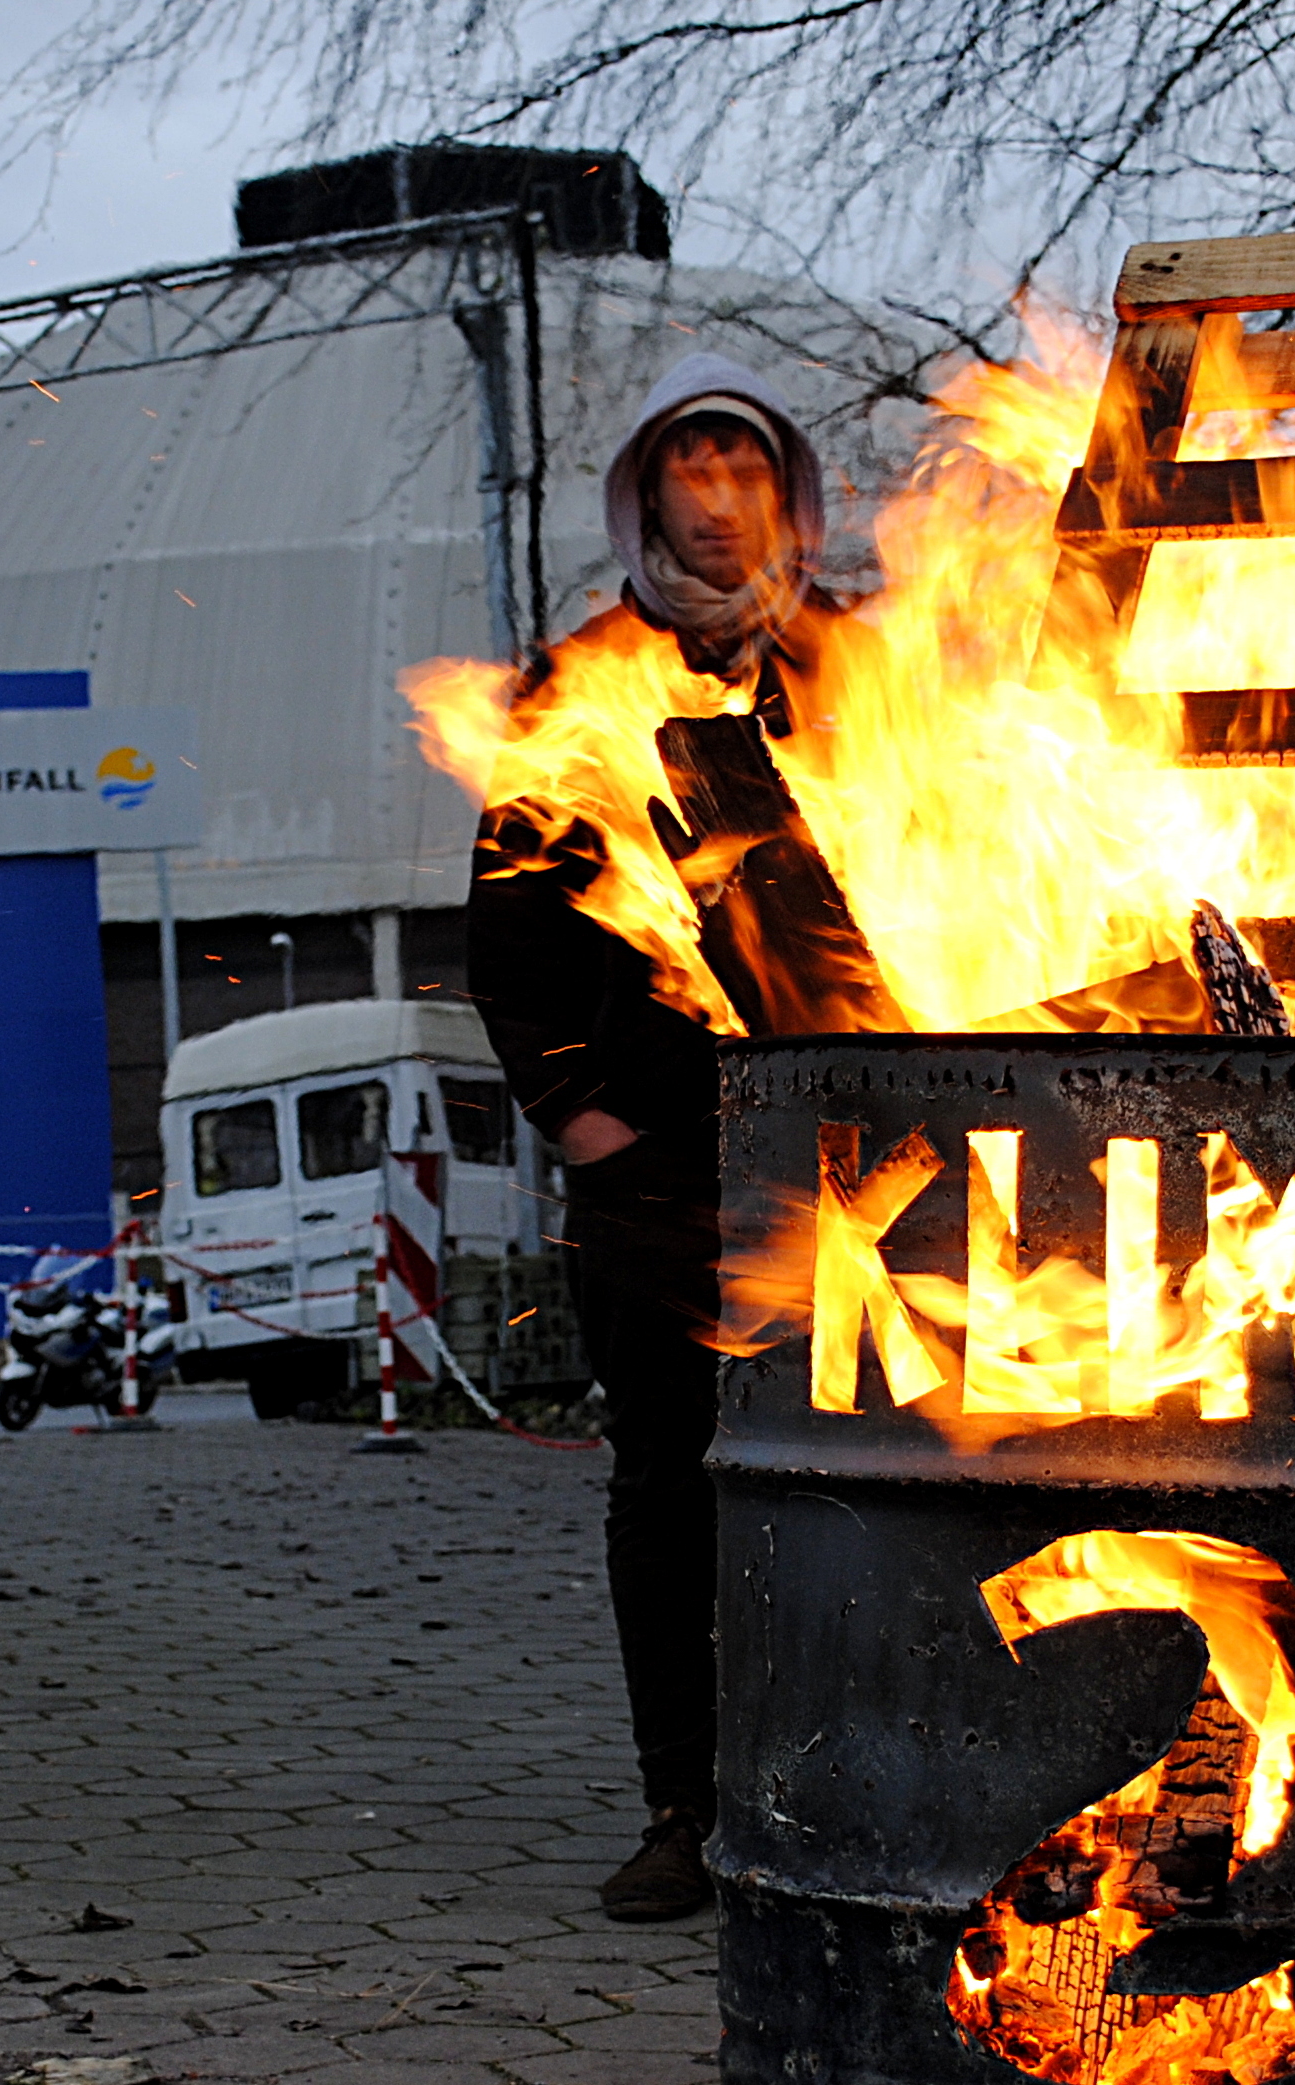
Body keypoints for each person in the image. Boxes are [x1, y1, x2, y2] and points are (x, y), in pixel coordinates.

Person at [465, 357, 838, 1921]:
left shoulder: (854, 670)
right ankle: (686, 1803)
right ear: (646, 487)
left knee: (849, 1477)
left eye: (741, 457)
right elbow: (509, 932)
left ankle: (842, 1787)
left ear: (781, 490)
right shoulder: (577, 686)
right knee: (669, 1480)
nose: (715, 484)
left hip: (849, 1143)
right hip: (659, 1158)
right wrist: (584, 1115)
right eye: (688, 455)